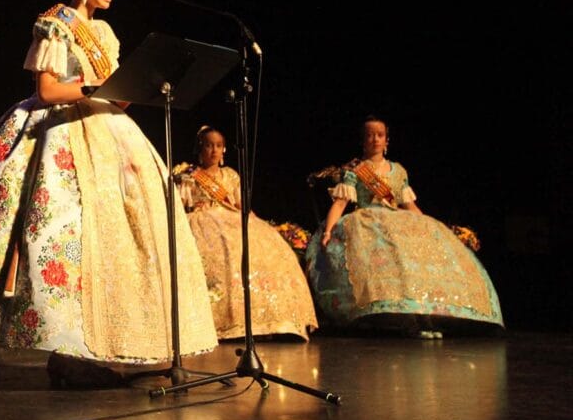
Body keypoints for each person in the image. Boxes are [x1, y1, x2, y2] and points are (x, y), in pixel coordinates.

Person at [0, 0, 217, 375]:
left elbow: (118, 97)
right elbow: (47, 91)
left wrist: (139, 86)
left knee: (126, 231)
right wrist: (96, 90)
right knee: (61, 230)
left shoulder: (106, 34)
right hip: (58, 131)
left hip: (109, 130)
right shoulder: (55, 24)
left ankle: (111, 342)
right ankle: (65, 348)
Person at [305, 116, 504, 335]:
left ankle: (423, 314)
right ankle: (394, 316)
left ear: (387, 140)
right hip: (366, 222)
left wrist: (430, 227)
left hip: (397, 220)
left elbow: (410, 206)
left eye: (379, 135)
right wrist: (328, 230)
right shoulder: (355, 170)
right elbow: (341, 203)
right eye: (369, 135)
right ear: (363, 140)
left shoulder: (398, 171)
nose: (375, 139)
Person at [177, 126, 318, 341]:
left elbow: (239, 203)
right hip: (202, 220)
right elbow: (181, 205)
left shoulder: (231, 175)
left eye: (218, 146)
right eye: (208, 145)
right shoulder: (188, 175)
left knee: (261, 246)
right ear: (199, 148)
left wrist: (255, 220)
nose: (214, 150)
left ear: (224, 150)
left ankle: (272, 319)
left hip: (231, 217)